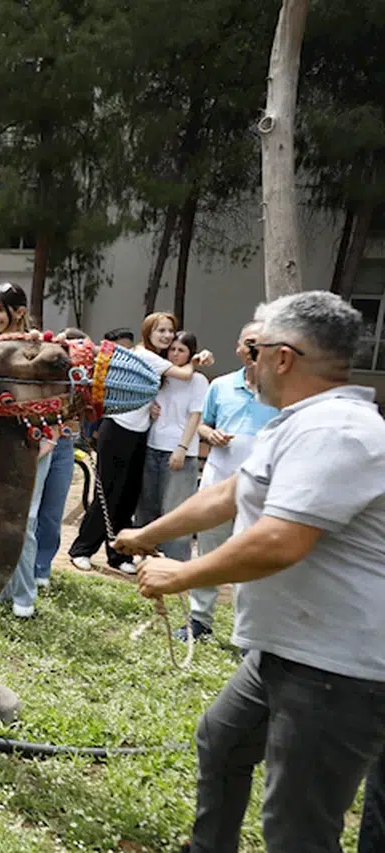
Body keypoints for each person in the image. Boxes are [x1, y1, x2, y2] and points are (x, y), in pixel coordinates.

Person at [114, 291, 385, 853]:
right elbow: (228, 496)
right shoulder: (297, 424)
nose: (246, 357)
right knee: (223, 741)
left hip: (340, 669)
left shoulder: (336, 431)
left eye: (255, 347)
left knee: (297, 828)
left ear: (283, 358)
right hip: (291, 651)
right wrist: (147, 535)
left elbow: (281, 540)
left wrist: (179, 574)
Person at [69, 312, 212, 574]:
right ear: (148, 333)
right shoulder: (145, 355)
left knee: (127, 497)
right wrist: (195, 359)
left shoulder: (158, 361)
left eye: (170, 331)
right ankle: (82, 549)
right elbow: (183, 373)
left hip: (140, 433)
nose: (167, 336)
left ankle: (119, 555)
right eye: (161, 331)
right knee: (108, 494)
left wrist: (152, 409)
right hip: (118, 430)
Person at [176, 317, 279, 641]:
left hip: (263, 490)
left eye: (261, 343)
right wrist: (211, 434)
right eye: (248, 342)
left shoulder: (283, 391)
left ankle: (252, 632)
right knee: (208, 551)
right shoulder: (220, 386)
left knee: (254, 558)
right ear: (238, 348)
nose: (253, 349)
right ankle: (199, 621)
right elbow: (203, 424)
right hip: (218, 483)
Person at [0, 283, 54, 618]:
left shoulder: (36, 347)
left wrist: (46, 440)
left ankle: (24, 595)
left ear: (19, 312)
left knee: (24, 519)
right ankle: (1, 587)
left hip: (33, 442)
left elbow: (52, 399)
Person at [135, 330, 209, 561]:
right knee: (147, 504)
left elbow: (195, 417)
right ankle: (144, 553)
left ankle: (175, 560)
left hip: (180, 451)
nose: (176, 354)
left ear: (191, 353)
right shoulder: (161, 376)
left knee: (175, 508)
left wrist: (182, 448)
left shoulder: (198, 380)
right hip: (152, 445)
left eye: (181, 350)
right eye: (173, 349)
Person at [33, 327, 89, 591]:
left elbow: (80, 422)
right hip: (38, 445)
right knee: (30, 513)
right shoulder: (37, 378)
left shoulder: (80, 385)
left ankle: (42, 566)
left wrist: (71, 426)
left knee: (52, 513)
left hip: (63, 448)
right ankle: (22, 568)